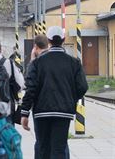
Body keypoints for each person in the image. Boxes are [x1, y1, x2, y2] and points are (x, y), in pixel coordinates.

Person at [21, 26, 88, 159]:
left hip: (41, 111)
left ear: (49, 40)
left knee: (43, 147)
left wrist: (24, 112)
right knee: (59, 149)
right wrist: (70, 97)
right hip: (64, 112)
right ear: (63, 39)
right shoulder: (74, 63)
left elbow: (31, 88)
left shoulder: (37, 63)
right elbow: (82, 87)